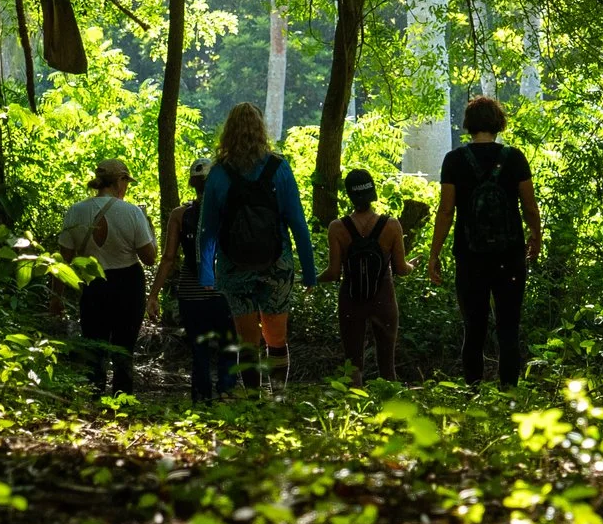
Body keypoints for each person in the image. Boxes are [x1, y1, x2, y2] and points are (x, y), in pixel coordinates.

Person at [196, 102, 316, 396]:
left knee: (247, 341)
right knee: (276, 338)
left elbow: (207, 230)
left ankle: (252, 400)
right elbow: (297, 223)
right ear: (261, 130)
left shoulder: (218, 175)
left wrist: (206, 275)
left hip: (234, 266)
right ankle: (277, 397)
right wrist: (309, 272)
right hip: (277, 264)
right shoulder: (279, 169)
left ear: (228, 132)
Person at [424, 96, 542, 387]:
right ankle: (509, 393)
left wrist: (434, 253)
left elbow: (446, 210)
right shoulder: (514, 158)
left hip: (469, 256)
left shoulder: (454, 160)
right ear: (498, 122)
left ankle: (472, 392)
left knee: (473, 328)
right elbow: (529, 206)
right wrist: (536, 236)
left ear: (469, 125)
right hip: (510, 255)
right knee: (508, 328)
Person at [151, 157, 248, 400]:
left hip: (190, 292)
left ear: (193, 184)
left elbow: (168, 258)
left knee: (199, 348)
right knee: (229, 343)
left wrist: (153, 295)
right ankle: (226, 389)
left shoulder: (179, 215)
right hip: (222, 291)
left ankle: (201, 395)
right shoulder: (231, 212)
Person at [57, 159, 157, 394]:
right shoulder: (132, 212)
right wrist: (150, 229)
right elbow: (150, 257)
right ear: (120, 181)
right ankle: (123, 400)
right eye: (126, 182)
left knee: (94, 346)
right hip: (128, 285)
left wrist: (56, 297)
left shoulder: (76, 211)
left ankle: (94, 397)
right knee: (124, 347)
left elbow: (63, 260)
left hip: (92, 284)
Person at [320, 166, 409, 383]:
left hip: (351, 300)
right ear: (373, 192)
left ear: (349, 195)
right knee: (387, 368)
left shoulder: (337, 227)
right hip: (384, 298)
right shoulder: (392, 225)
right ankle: (390, 412)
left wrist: (312, 278)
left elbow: (333, 273)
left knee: (353, 366)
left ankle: (353, 412)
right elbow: (401, 270)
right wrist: (411, 265)